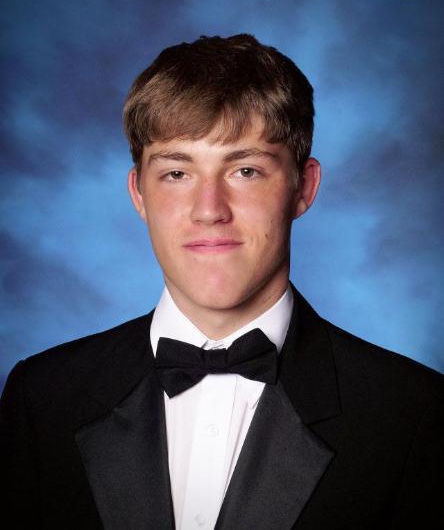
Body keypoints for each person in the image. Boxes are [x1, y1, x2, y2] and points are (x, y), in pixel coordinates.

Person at [1, 34, 443, 530]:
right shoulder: (41, 397)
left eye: (245, 170)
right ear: (139, 194)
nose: (209, 210)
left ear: (304, 187)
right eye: (177, 174)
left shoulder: (411, 413)